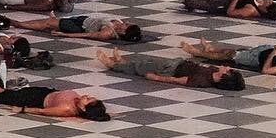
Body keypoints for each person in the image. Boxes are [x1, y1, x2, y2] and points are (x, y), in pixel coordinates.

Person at [0, 73, 109, 120]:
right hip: (46, 92)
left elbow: (43, 111)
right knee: (14, 93)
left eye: (88, 99)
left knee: (11, 98)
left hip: (37, 100)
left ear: (83, 108)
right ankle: (0, 90)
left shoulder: (66, 109)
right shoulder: (76, 101)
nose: (87, 96)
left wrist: (24, 109)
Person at [96, 47, 244, 90]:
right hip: (177, 64)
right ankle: (122, 62)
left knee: (141, 67)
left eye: (228, 70)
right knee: (147, 61)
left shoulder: (202, 80)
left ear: (224, 77)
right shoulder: (212, 72)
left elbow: (177, 80)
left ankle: (114, 65)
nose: (225, 67)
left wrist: (157, 78)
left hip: (170, 70)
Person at [180, 38, 276, 77]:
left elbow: (266, 71)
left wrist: (273, 54)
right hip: (265, 49)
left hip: (257, 58)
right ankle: (211, 49)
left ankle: (197, 52)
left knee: (230, 55)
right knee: (231, 51)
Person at [10, 14, 143, 42]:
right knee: (50, 21)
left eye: (125, 25)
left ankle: (18, 24)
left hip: (79, 27)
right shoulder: (119, 25)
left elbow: (88, 35)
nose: (124, 22)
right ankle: (20, 23)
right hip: (84, 20)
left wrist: (65, 35)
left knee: (48, 23)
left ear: (123, 32)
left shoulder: (107, 32)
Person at [181, 0, 276, 22]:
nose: (270, 0)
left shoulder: (250, 10)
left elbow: (230, 12)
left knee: (190, 1)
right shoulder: (262, 2)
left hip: (222, 5)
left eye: (270, 3)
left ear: (266, 9)